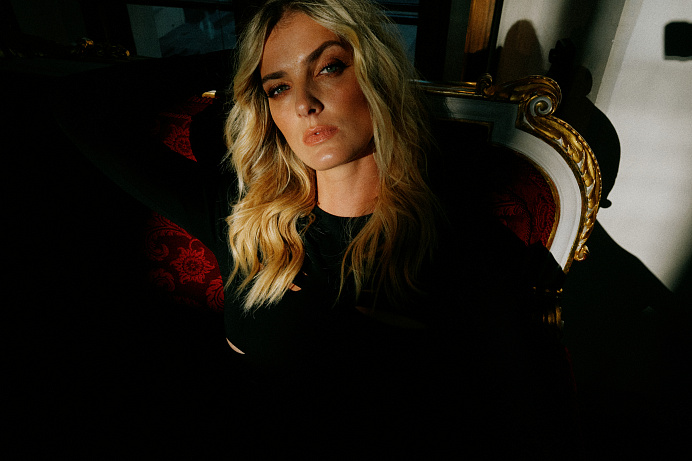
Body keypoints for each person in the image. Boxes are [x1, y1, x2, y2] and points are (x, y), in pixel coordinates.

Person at [55, 0, 579, 456]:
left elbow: (523, 425)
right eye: (278, 87)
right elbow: (77, 108)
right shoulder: (243, 219)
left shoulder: (458, 246)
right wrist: (240, 62)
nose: (304, 103)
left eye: (329, 68)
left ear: (377, 75)